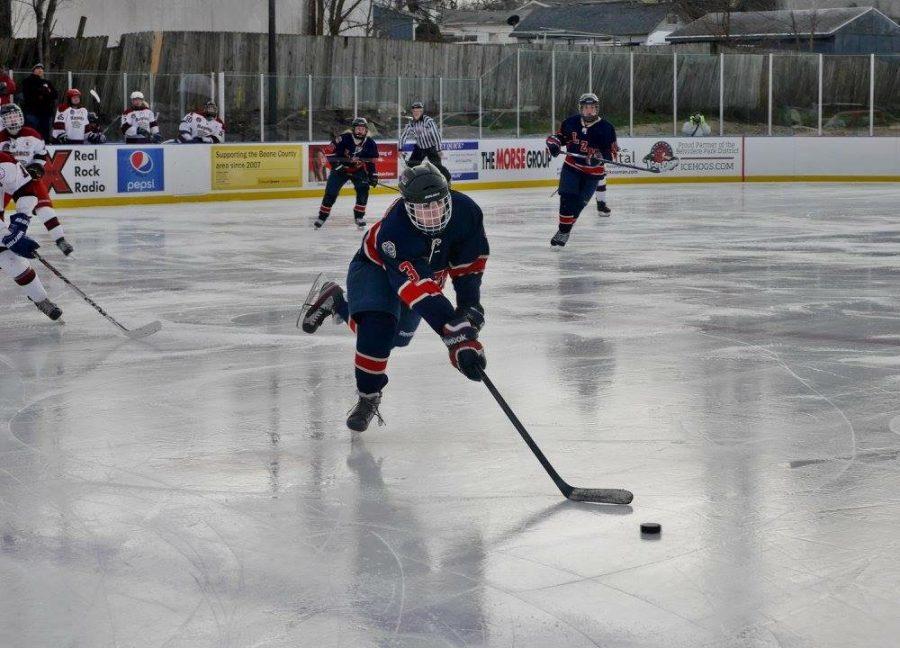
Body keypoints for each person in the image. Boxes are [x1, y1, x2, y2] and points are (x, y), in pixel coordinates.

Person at [300, 161, 489, 432]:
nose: (433, 214)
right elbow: (418, 288)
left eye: (438, 205)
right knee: (377, 329)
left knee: (396, 340)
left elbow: (468, 269)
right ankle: (368, 396)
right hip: (374, 267)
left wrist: (468, 313)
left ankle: (337, 302)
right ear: (408, 206)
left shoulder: (468, 212)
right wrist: (452, 331)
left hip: (422, 277)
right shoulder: (395, 231)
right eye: (424, 208)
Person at [545, 93, 619, 246]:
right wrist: (555, 143)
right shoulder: (571, 122)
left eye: (592, 108)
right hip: (572, 167)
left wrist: (598, 156)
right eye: (586, 108)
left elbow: (610, 154)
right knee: (566, 198)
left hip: (592, 174)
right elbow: (560, 138)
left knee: (578, 204)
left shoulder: (607, 128)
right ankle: (563, 231)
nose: (589, 111)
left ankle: (565, 230)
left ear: (597, 109)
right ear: (581, 109)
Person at [0, 104, 73, 256]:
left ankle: (60, 239)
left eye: (15, 116)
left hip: (28, 179)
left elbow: (41, 154)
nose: (13, 120)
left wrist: (37, 167)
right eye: (8, 117)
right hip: (5, 181)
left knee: (44, 207)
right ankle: (2, 242)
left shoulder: (32, 134)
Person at [0, 149, 63, 321]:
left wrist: (21, 221)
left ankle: (40, 299)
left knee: (11, 260)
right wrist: (8, 237)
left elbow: (25, 189)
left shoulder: (4, 160)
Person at [315, 118, 378, 229]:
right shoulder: (343, 138)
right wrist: (337, 166)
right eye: (358, 128)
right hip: (340, 170)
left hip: (358, 170)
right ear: (353, 129)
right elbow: (329, 153)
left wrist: (373, 176)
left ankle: (359, 217)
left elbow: (371, 161)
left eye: (362, 129)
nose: (360, 131)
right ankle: (322, 217)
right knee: (331, 193)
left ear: (366, 130)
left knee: (363, 189)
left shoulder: (370, 143)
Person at [399, 101, 451, 185]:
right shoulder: (411, 123)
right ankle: (411, 184)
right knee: (412, 167)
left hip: (431, 148)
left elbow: (436, 135)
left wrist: (438, 149)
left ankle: (447, 180)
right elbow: (404, 135)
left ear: (422, 111)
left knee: (437, 167)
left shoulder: (428, 121)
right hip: (419, 148)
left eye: (418, 111)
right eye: (414, 111)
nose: (416, 113)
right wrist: (400, 149)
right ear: (412, 112)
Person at [20, 63, 58, 141]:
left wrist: (46, 93)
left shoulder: (47, 82)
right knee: (32, 132)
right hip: (32, 112)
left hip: (45, 113)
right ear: (33, 70)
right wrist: (41, 92)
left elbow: (55, 95)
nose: (40, 70)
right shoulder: (28, 81)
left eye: (42, 69)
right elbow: (28, 95)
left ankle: (45, 147)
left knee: (44, 133)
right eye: (38, 68)